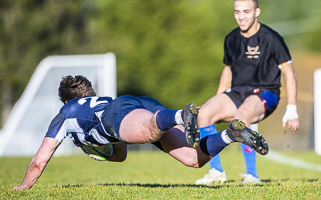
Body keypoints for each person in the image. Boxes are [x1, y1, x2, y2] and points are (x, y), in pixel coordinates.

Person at [13, 75, 269, 190]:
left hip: (124, 114)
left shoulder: (66, 114)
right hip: (133, 106)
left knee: (149, 131)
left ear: (66, 101)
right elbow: (121, 149)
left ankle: (182, 115)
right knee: (194, 159)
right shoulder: (99, 101)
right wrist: (101, 152)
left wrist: (23, 188)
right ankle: (231, 135)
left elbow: (39, 160)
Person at [195, 0, 299, 185]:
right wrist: (218, 98)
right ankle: (216, 171)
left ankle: (252, 175)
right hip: (237, 92)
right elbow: (228, 70)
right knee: (203, 114)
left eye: (246, 12)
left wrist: (292, 109)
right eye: (237, 12)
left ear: (256, 12)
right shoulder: (231, 39)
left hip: (266, 93)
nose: (241, 17)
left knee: (241, 117)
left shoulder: (272, 38)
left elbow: (289, 73)